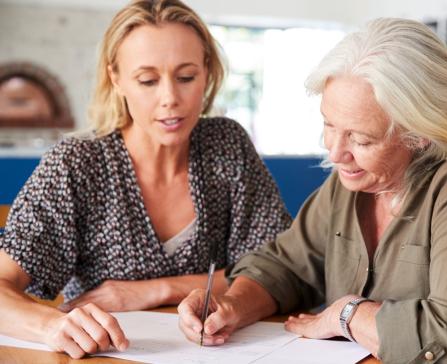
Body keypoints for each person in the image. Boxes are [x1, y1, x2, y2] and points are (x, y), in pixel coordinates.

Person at [178, 18, 447, 363]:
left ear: (421, 135)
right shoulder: (353, 180)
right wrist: (232, 304)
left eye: (361, 139)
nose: (334, 152)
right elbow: (286, 265)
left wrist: (349, 314)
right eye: (329, 124)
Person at [0, 0, 290, 359]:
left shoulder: (226, 145)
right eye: (148, 80)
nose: (170, 98)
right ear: (116, 78)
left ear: (207, 71)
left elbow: (281, 269)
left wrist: (155, 290)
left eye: (186, 77)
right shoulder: (76, 163)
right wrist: (50, 326)